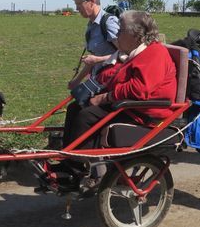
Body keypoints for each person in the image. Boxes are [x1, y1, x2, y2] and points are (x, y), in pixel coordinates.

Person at [63, 10, 177, 150]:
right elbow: (118, 75)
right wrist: (95, 83)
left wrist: (104, 97)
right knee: (74, 107)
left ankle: (77, 167)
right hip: (128, 106)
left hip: (142, 113)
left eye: (120, 31)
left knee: (86, 116)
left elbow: (139, 89)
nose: (116, 36)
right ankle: (66, 157)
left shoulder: (155, 53)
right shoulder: (134, 53)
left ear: (136, 35)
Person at [67, 0, 120, 90]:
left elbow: (126, 54)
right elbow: (92, 59)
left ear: (91, 1)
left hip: (111, 83)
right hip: (98, 80)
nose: (77, 9)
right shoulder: (92, 25)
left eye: (79, 4)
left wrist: (97, 59)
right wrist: (76, 81)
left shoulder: (109, 23)